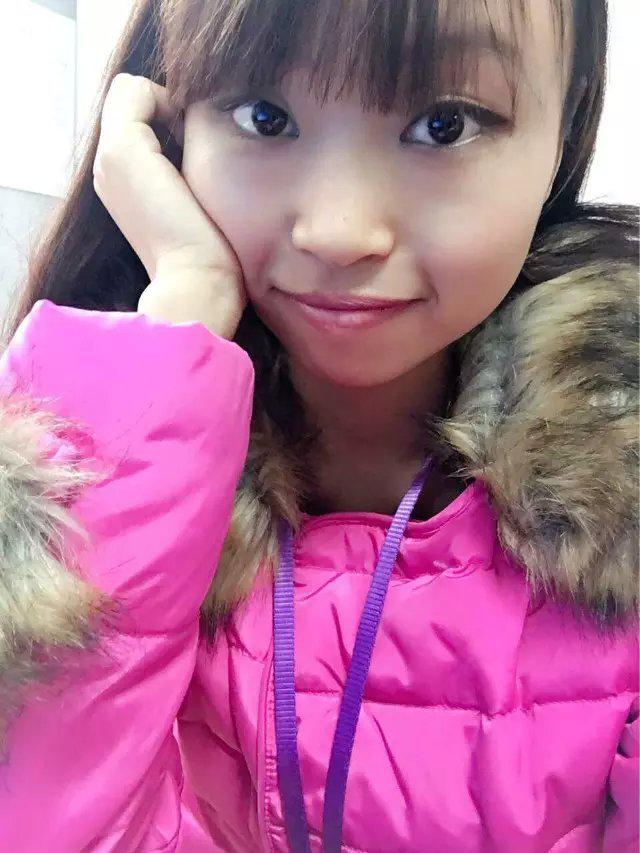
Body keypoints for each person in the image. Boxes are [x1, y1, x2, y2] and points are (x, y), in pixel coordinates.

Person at [0, 0, 637, 849]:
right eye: (265, 117)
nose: (338, 232)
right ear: (175, 127)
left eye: (445, 123)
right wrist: (187, 298)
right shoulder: (87, 461)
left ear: (565, 127)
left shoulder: (623, 521)